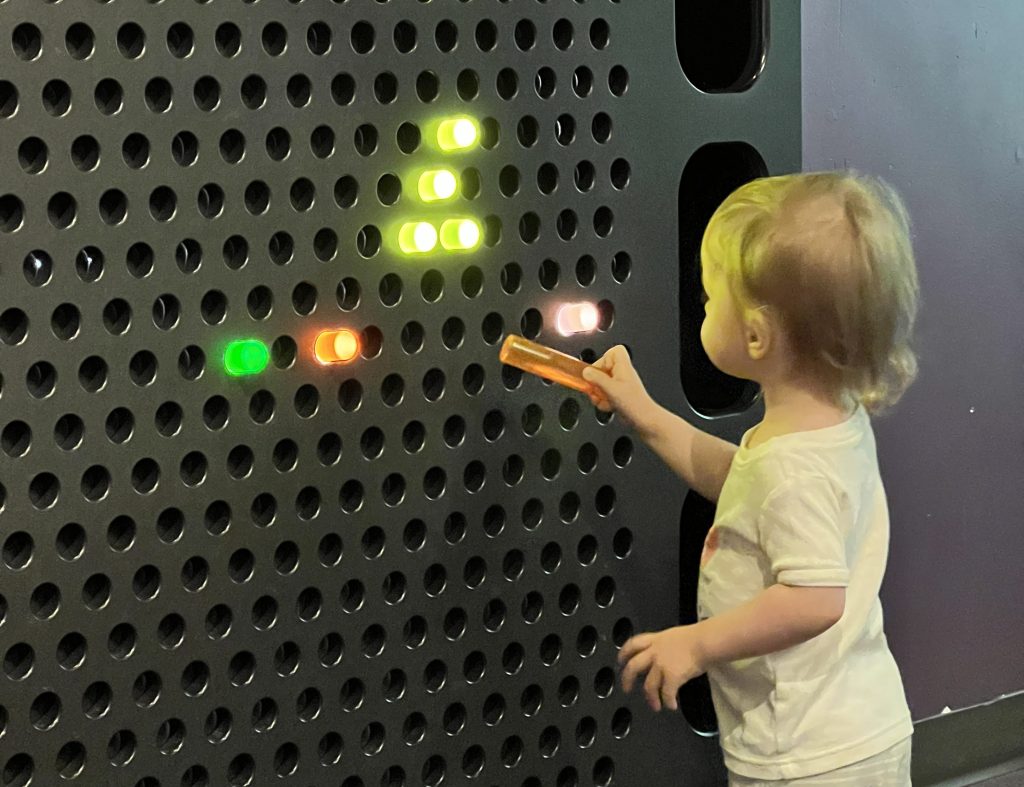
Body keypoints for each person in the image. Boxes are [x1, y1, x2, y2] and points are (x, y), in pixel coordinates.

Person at [582, 172, 919, 785]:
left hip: (808, 757)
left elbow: (814, 600)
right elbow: (740, 485)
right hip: (855, 732)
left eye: (712, 300)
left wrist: (697, 644)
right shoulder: (829, 422)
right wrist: (646, 413)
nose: (704, 307)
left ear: (757, 336)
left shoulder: (794, 468)